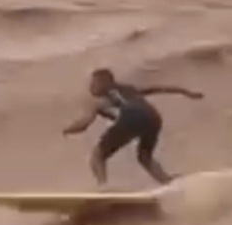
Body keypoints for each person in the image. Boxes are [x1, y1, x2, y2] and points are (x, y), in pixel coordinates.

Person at [62, 68, 202, 187]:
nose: (90, 87)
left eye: (94, 83)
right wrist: (188, 93)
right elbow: (160, 88)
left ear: (105, 82)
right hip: (153, 117)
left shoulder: (102, 99)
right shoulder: (130, 89)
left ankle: (103, 189)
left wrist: (67, 129)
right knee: (144, 157)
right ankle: (168, 182)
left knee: (97, 156)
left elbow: (85, 123)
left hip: (132, 116)